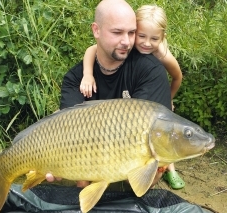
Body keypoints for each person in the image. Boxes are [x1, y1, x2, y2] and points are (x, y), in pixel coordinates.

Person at [46, 0, 171, 188]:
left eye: (131, 32)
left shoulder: (150, 71)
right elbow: (68, 134)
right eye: (117, 32)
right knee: (58, 120)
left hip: (129, 159)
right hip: (86, 155)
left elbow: (149, 138)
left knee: (149, 168)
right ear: (96, 30)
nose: (127, 41)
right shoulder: (75, 78)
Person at [79, 5, 185, 189]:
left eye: (153, 38)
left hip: (160, 95)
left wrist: (168, 100)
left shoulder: (161, 55)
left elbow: (178, 77)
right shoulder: (127, 48)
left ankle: (170, 169)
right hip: (138, 106)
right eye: (141, 36)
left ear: (162, 38)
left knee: (164, 143)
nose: (145, 43)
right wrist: (87, 73)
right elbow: (92, 49)